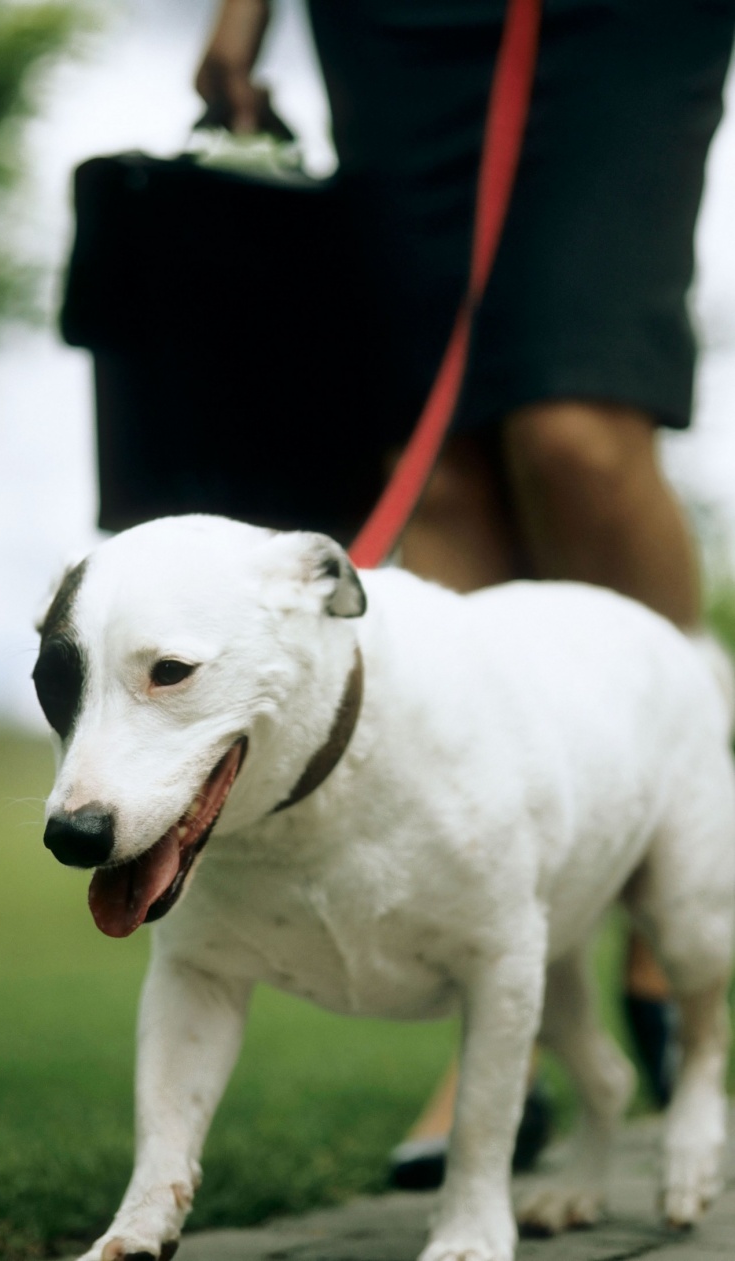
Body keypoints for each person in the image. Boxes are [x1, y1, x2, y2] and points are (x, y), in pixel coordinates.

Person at [194, 0, 735, 1182]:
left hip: (616, 27)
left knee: (572, 430)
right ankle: (503, 1016)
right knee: (430, 468)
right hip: (399, 30)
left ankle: (668, 818)